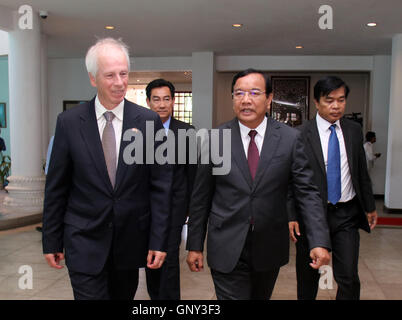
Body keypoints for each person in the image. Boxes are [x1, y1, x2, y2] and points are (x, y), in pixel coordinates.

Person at [42, 38, 172, 300]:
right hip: (83, 240)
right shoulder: (69, 123)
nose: (119, 82)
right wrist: (52, 239)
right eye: (110, 75)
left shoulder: (148, 121)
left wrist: (158, 240)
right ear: (93, 79)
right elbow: (57, 187)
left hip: (129, 243)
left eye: (123, 73)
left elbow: (161, 186)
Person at [186, 68, 331, 300]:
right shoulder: (214, 139)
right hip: (226, 243)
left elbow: (307, 193)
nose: (245, 100)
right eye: (239, 93)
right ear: (232, 98)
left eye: (254, 93)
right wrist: (194, 245)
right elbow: (201, 196)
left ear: (269, 98)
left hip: (269, 244)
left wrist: (319, 240)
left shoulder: (290, 139)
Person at [289, 76, 378, 300]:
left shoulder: (353, 130)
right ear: (317, 102)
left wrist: (369, 206)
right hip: (311, 216)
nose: (336, 106)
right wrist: (292, 214)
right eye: (329, 100)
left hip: (346, 213)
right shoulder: (300, 134)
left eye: (341, 100)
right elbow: (290, 180)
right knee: (308, 277)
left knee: (348, 276)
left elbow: (360, 171)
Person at [145, 78, 196, 300]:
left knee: (169, 258)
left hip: (175, 208)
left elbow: (192, 173)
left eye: (166, 99)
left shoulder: (187, 131)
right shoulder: (137, 132)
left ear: (173, 101)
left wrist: (190, 208)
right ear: (148, 102)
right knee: (150, 259)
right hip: (145, 210)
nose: (161, 104)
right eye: (156, 99)